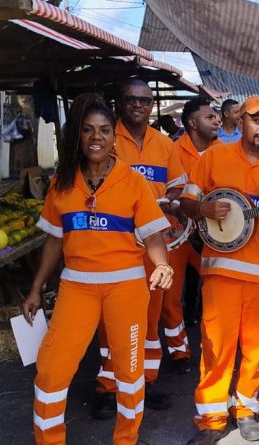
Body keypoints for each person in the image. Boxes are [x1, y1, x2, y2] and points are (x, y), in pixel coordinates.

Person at [22, 93, 173, 445]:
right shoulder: (62, 183)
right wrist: (36, 288)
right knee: (52, 371)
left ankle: (126, 442)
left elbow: (153, 234)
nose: (97, 137)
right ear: (77, 136)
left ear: (114, 137)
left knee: (129, 369)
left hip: (125, 287)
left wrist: (162, 265)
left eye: (105, 130)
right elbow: (54, 241)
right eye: (88, 129)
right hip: (77, 288)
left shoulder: (133, 182)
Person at [180, 95, 259, 445]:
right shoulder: (214, 157)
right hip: (221, 272)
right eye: (256, 121)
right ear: (241, 121)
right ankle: (211, 419)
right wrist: (203, 207)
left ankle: (246, 407)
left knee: (257, 348)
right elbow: (187, 203)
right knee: (216, 347)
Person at [92, 79, 187, 417]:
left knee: (150, 314)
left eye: (145, 100)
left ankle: (146, 380)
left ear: (151, 106)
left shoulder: (164, 144)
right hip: (114, 245)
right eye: (131, 99)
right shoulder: (103, 137)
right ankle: (108, 384)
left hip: (153, 244)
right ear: (119, 102)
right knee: (110, 319)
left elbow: (178, 185)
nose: (138, 105)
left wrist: (170, 200)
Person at [177, 96, 223, 330]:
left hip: (214, 231)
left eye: (216, 117)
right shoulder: (172, 151)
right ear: (193, 124)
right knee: (180, 286)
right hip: (180, 232)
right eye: (210, 117)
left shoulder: (225, 152)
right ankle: (185, 325)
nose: (217, 122)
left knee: (213, 282)